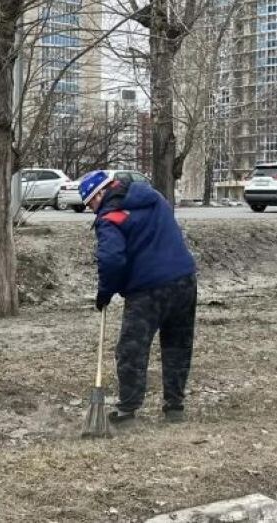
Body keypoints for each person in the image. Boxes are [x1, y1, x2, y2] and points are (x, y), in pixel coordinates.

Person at [79, 170, 197, 426]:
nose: (92, 210)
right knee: (177, 344)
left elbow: (112, 259)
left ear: (101, 193)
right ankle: (174, 407)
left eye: (91, 203)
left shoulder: (110, 217)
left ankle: (127, 411)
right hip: (185, 280)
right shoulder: (154, 197)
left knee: (132, 348)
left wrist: (105, 291)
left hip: (148, 290)